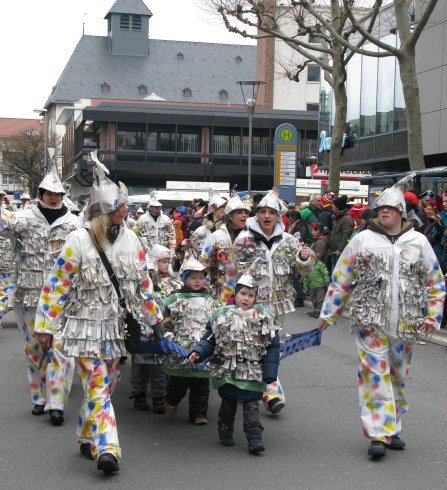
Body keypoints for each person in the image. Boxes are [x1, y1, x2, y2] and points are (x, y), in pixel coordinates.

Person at [34, 152, 164, 473]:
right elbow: (57, 285)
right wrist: (45, 326)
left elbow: (141, 285)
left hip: (116, 331)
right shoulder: (78, 239)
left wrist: (154, 318)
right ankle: (108, 447)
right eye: (121, 205)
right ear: (105, 209)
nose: (127, 210)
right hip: (83, 328)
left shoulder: (132, 239)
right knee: (96, 384)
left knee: (107, 386)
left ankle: (86, 432)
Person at [318, 180, 445, 459]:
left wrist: (433, 317)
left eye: (390, 207)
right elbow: (342, 278)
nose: (384, 211)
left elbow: (435, 282)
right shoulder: (363, 239)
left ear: (401, 211)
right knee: (375, 376)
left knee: (397, 377)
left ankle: (392, 426)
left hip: (406, 325)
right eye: (381, 207)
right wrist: (328, 313)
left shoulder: (418, 241)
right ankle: (378, 433)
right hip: (369, 324)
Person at [0, 162, 80, 426]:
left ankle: (56, 403)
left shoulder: (75, 224)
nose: (53, 197)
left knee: (61, 350)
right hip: (28, 294)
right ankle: (39, 398)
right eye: (48, 192)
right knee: (35, 350)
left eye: (57, 193)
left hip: (63, 298)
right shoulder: (23, 218)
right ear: (40, 193)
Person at [233, 190, 313, 414]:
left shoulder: (289, 241)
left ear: (279, 216)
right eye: (263, 211)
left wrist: (304, 259)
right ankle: (270, 392)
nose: (267, 216)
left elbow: (302, 271)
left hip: (278, 304)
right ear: (257, 214)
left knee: (270, 346)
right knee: (252, 346)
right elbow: (232, 273)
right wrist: (230, 302)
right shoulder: (243, 239)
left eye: (272, 212)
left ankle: (262, 389)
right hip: (250, 304)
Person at [189, 274, 280, 454]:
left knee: (251, 403)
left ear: (256, 297)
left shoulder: (264, 317)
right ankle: (225, 428)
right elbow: (210, 338)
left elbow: (273, 346)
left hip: (253, 370)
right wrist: (198, 351)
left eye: (251, 295)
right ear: (236, 294)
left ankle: (254, 437)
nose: (246, 298)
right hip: (228, 370)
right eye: (243, 294)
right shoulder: (222, 315)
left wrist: (270, 372)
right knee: (229, 402)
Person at [162, 258, 218, 425]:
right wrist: (167, 333)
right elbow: (166, 319)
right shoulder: (174, 298)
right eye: (193, 277)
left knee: (201, 384)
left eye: (201, 278)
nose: (198, 281)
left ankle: (199, 414)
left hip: (202, 347)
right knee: (178, 383)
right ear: (184, 278)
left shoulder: (210, 300)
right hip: (181, 348)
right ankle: (171, 400)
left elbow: (216, 321)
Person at [129, 243, 179, 414]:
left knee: (158, 367)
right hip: (142, 327)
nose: (166, 265)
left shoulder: (173, 282)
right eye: (162, 261)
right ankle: (139, 394)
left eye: (168, 262)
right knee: (139, 366)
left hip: (160, 328)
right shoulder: (143, 280)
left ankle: (159, 397)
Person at [201, 194, 251, 305]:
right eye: (239, 212)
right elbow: (205, 263)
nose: (244, 216)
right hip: (220, 291)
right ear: (229, 216)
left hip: (245, 292)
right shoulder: (216, 236)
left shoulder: (250, 237)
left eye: (246, 213)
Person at [181, 190, 226, 273]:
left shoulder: (226, 229)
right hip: (200, 270)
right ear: (214, 209)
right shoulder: (200, 228)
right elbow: (191, 250)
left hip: (221, 271)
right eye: (221, 207)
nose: (224, 209)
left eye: (225, 206)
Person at [327, 194, 355, 272]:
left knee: (338, 273)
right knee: (334, 272)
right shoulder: (337, 218)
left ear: (337, 207)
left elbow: (346, 236)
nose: (332, 207)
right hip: (334, 251)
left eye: (333, 205)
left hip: (339, 253)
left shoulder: (347, 219)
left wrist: (340, 250)